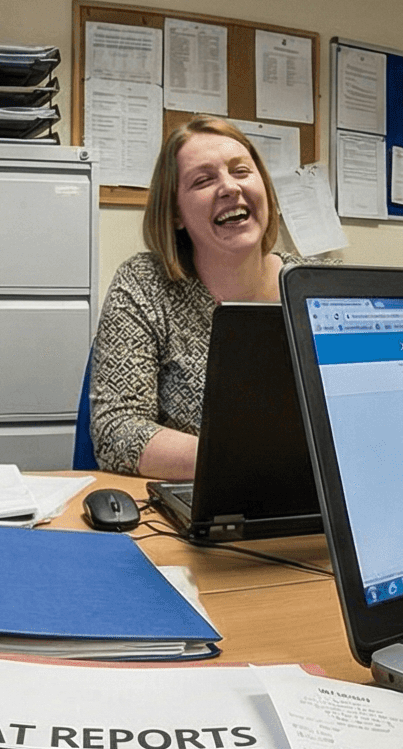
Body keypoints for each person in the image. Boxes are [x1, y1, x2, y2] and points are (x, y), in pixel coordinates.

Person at [89, 117, 288, 478]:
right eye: (203, 180)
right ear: (176, 213)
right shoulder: (144, 284)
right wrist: (243, 461)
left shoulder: (315, 286)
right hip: (200, 496)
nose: (229, 187)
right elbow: (116, 432)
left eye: (241, 171)